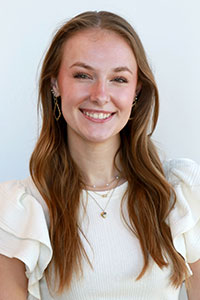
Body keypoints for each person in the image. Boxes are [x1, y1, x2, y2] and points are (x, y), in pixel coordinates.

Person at [0, 10, 199, 300]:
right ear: (55, 83)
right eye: (83, 75)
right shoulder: (21, 209)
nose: (100, 94)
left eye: (118, 79)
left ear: (136, 91)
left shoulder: (179, 193)